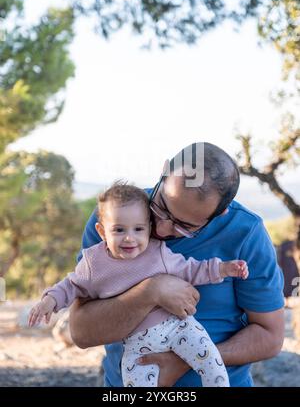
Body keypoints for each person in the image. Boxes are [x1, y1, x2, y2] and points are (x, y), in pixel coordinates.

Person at [69, 142, 285, 387]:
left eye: (185, 226)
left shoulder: (246, 233)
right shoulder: (116, 220)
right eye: (161, 207)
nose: (161, 229)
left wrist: (190, 359)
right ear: (163, 172)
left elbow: (270, 336)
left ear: (221, 213)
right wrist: (152, 291)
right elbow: (81, 332)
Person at [29, 182, 249, 387]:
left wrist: (223, 269)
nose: (129, 238)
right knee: (133, 381)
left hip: (180, 327)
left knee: (211, 361)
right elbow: (71, 285)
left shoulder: (158, 252)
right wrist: (49, 301)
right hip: (137, 342)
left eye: (138, 229)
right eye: (119, 230)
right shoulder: (94, 263)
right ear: (102, 232)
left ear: (148, 228)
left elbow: (192, 269)